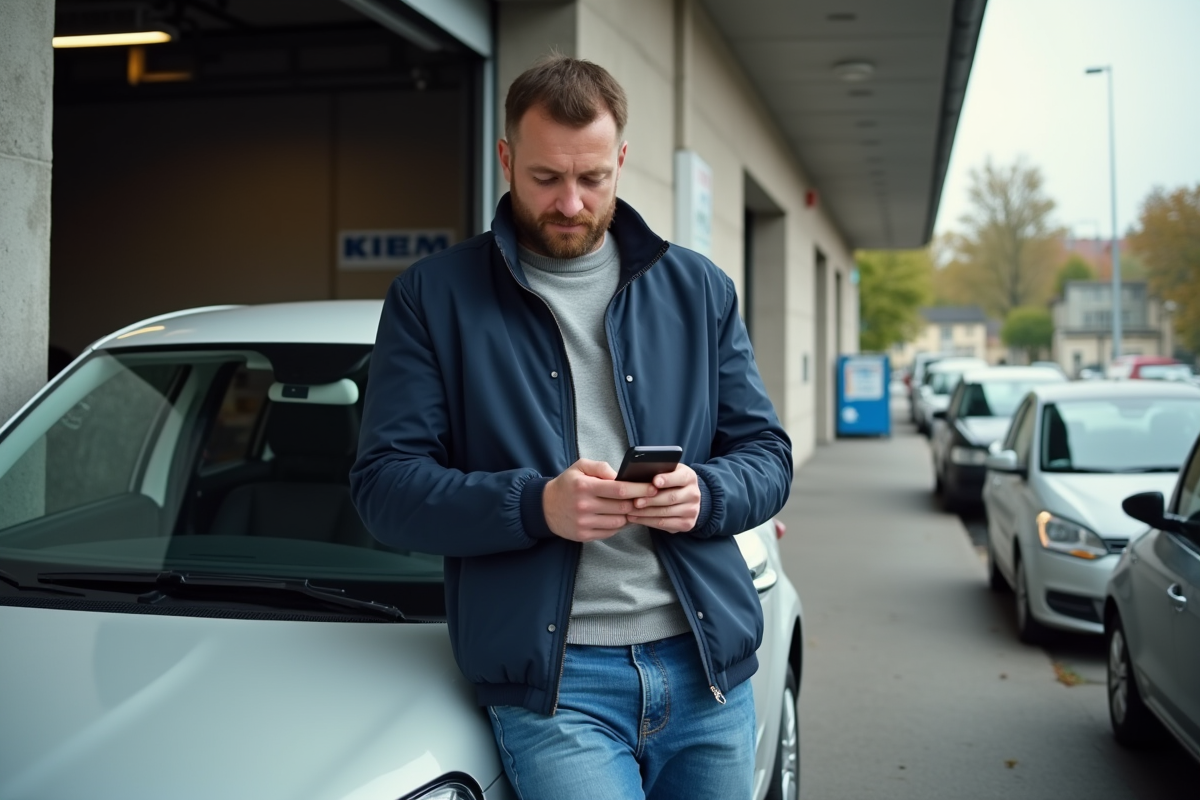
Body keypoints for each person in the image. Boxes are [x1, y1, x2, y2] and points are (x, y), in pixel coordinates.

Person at [351, 54, 792, 800]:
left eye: (593, 179)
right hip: (558, 687)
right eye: (546, 178)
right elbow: (385, 489)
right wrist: (535, 507)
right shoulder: (432, 298)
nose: (571, 203)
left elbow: (768, 456)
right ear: (506, 158)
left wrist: (705, 494)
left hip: (706, 670)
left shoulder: (698, 289)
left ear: (621, 160)